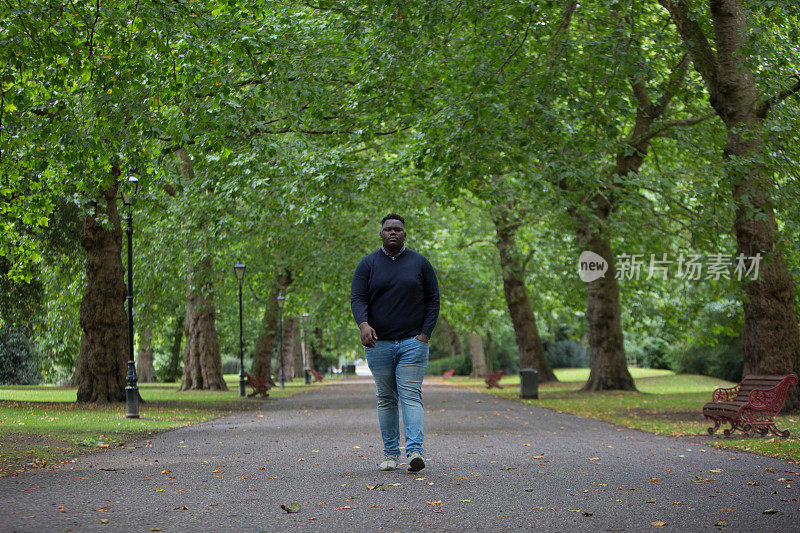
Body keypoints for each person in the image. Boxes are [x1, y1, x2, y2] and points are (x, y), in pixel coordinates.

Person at [350, 213, 440, 472]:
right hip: (379, 345)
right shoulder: (367, 265)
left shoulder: (420, 263)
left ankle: (414, 451)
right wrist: (363, 324)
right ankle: (390, 454)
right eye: (388, 229)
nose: (392, 232)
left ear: (404, 234)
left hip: (413, 342)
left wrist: (425, 334)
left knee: (411, 395)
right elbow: (358, 298)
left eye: (397, 229)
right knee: (386, 398)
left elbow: (433, 300)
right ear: (381, 233)